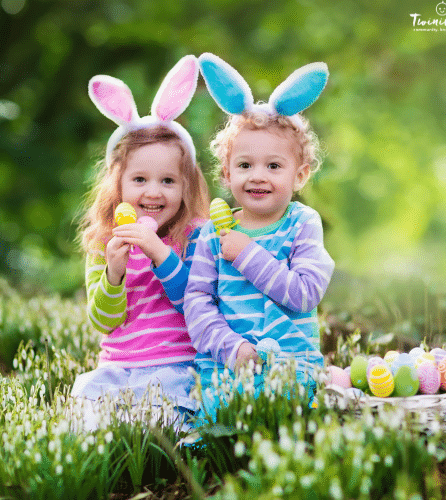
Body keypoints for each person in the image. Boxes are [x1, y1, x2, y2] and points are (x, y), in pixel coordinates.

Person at [184, 53, 335, 423]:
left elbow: (304, 294)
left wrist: (248, 254)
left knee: (290, 425)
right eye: (245, 165)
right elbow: (197, 302)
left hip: (292, 364)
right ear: (226, 171)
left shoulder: (302, 223)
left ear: (299, 176)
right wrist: (231, 349)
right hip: (228, 367)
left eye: (274, 166)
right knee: (222, 429)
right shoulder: (212, 233)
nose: (258, 176)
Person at [71, 55, 210, 431]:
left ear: (186, 187)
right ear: (118, 184)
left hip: (175, 365)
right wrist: (114, 275)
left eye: (168, 181)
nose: (153, 192)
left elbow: (199, 306)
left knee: (159, 422)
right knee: (88, 421)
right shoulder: (104, 242)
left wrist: (161, 254)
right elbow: (104, 322)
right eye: (139, 180)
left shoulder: (196, 235)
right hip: (117, 367)